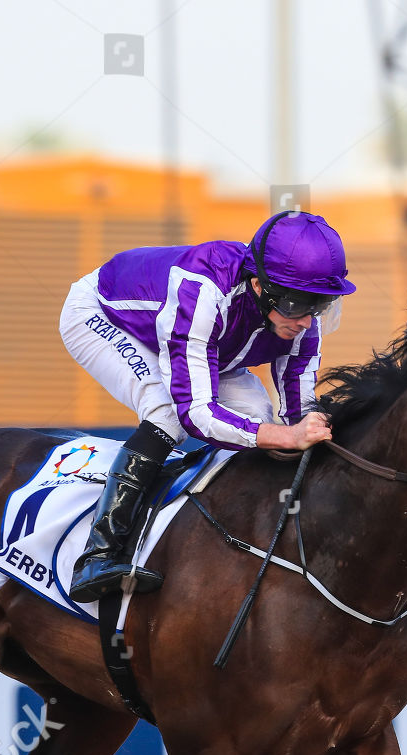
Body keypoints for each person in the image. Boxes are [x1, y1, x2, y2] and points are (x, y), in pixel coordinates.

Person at [59, 210, 356, 603]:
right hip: (105, 316)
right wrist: (281, 435)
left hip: (208, 344)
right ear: (258, 285)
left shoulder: (302, 318)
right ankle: (97, 556)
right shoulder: (201, 291)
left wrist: (302, 432)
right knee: (166, 412)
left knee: (260, 422)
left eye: (319, 304)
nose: (306, 320)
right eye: (297, 304)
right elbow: (196, 414)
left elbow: (296, 411)